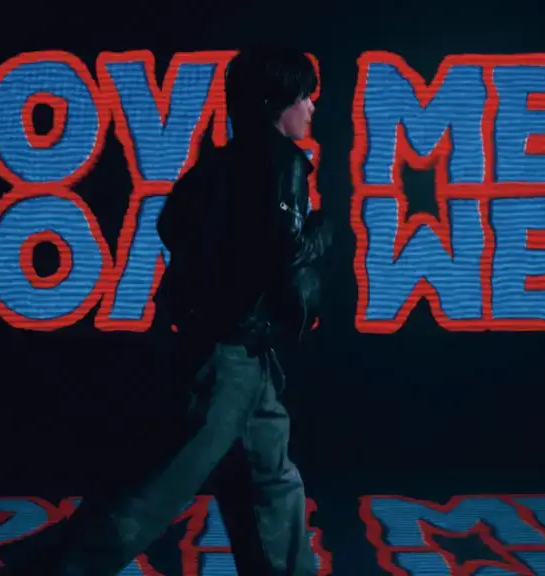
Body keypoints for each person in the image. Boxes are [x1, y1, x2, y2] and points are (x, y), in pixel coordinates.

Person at [53, 47, 333, 575]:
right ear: (277, 101)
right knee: (154, 491)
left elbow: (172, 224)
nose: (311, 107)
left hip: (240, 352)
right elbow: (281, 252)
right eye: (304, 96)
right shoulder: (281, 162)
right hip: (228, 358)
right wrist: (320, 233)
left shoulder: (219, 164)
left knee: (271, 481)